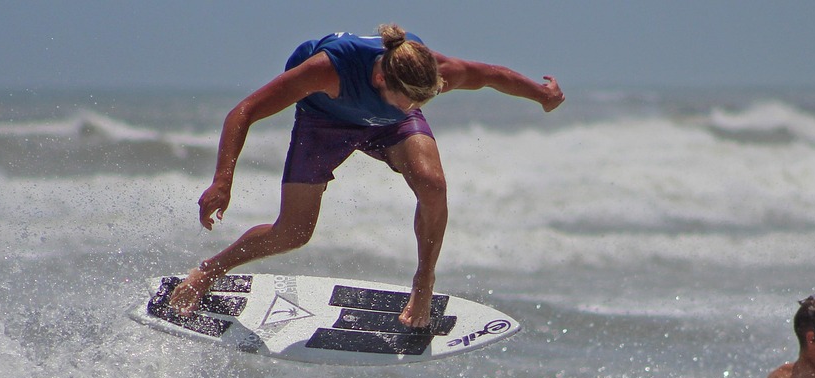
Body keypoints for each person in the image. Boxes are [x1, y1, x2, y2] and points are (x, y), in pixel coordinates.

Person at [168, 24, 564, 327]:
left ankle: (423, 280)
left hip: (388, 126)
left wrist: (542, 94)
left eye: (423, 99)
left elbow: (492, 75)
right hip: (323, 121)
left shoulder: (429, 72)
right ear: (379, 79)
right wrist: (223, 180)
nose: (417, 105)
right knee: (294, 232)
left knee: (433, 185)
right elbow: (244, 111)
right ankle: (209, 270)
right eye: (410, 98)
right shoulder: (328, 69)